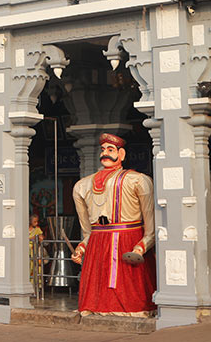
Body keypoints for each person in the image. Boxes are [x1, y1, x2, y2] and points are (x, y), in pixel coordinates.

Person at [71, 133, 156, 316]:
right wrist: (82, 247)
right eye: (102, 150)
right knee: (95, 298)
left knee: (131, 295)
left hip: (128, 242)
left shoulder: (138, 181)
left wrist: (140, 248)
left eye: (110, 150)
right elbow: (88, 231)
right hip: (97, 244)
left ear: (122, 154)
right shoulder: (81, 186)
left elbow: (152, 229)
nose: (105, 154)